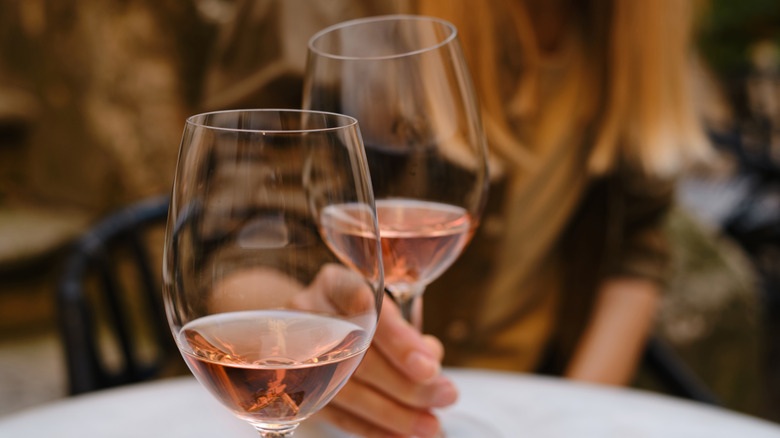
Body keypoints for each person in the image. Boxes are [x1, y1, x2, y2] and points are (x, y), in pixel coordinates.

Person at [200, 0, 712, 436]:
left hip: (527, 405)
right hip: (331, 423)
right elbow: (246, 227)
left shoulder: (634, 32)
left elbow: (634, 247)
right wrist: (295, 330)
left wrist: (573, 417)